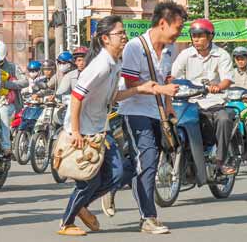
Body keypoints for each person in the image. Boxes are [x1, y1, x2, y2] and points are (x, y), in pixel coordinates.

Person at [57, 16, 176, 236]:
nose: (124, 37)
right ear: (105, 39)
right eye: (119, 33)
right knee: (89, 180)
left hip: (100, 129)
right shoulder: (101, 65)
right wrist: (75, 131)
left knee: (117, 173)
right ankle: (66, 222)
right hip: (84, 130)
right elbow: (76, 97)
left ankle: (81, 206)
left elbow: (114, 97)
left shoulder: (115, 64)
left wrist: (142, 89)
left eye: (124, 33)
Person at [119, 0, 185, 235]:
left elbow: (167, 78)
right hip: (134, 110)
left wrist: (169, 106)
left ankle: (107, 182)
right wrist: (162, 91)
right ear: (163, 23)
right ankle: (148, 217)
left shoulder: (170, 49)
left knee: (145, 161)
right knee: (147, 161)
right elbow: (130, 81)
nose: (179, 33)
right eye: (177, 28)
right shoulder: (135, 47)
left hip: (157, 112)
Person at [170, 18, 237, 175]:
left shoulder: (222, 55)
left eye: (200, 36)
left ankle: (221, 161)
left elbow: (227, 79)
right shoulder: (185, 54)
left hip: (214, 101)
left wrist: (218, 87)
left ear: (210, 37)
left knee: (224, 119)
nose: (197, 39)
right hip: (189, 101)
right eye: (194, 36)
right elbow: (173, 76)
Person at [0, 38, 28, 156]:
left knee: (3, 116)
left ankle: (6, 146)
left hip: (6, 102)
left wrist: (6, 84)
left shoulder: (12, 67)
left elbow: (25, 82)